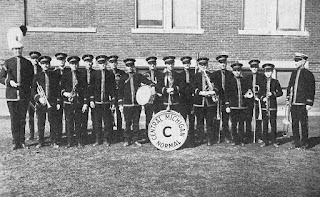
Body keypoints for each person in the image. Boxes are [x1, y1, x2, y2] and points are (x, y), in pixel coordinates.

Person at [0, 42, 34, 150]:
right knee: (14, 119)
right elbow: (1, 77)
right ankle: (15, 142)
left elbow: (31, 79)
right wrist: (10, 82)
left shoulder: (27, 63)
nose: (17, 51)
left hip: (23, 96)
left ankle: (22, 141)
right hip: (12, 96)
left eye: (19, 49)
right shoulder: (8, 63)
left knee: (22, 119)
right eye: (15, 49)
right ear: (12, 50)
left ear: (22, 50)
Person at [119, 58, 153, 147]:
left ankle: (135, 139)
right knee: (127, 123)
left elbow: (147, 82)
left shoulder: (138, 76)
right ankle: (127, 139)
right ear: (126, 67)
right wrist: (120, 104)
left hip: (136, 104)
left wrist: (153, 85)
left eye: (131, 66)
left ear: (134, 66)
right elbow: (120, 92)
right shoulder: (123, 78)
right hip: (127, 104)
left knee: (136, 123)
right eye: (128, 66)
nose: (130, 68)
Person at [287, 53, 315, 149]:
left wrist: (309, 103)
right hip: (293, 103)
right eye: (295, 60)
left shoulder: (308, 74)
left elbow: (311, 89)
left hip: (302, 104)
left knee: (303, 123)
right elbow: (290, 86)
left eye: (298, 60)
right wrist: (288, 98)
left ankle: (304, 143)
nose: (296, 62)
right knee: (294, 123)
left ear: (303, 61)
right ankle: (296, 142)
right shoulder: (293, 73)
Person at [32, 56, 61, 148]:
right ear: (40, 64)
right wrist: (38, 98)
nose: (45, 65)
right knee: (41, 122)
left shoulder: (54, 75)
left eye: (47, 63)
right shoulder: (37, 76)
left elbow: (57, 89)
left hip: (52, 102)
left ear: (49, 64)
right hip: (41, 103)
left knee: (53, 122)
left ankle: (54, 141)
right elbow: (33, 90)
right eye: (43, 63)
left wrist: (58, 102)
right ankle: (41, 141)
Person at [61, 56, 89, 148]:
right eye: (72, 64)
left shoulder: (82, 75)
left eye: (76, 63)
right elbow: (60, 88)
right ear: (69, 64)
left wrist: (85, 103)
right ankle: (70, 142)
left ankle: (79, 141)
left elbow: (85, 90)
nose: (74, 65)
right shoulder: (65, 75)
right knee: (69, 122)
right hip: (68, 102)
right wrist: (65, 93)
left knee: (78, 122)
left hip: (78, 102)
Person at [90, 55, 116, 146]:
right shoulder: (94, 74)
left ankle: (107, 139)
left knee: (107, 122)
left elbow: (113, 89)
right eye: (100, 63)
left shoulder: (110, 74)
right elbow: (91, 88)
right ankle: (98, 139)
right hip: (97, 102)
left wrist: (113, 102)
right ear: (98, 64)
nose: (102, 65)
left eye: (104, 63)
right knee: (97, 122)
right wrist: (92, 100)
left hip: (106, 102)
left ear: (106, 63)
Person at [193, 57, 219, 146]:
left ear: (207, 65)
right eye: (201, 65)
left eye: (205, 64)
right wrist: (200, 92)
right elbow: (193, 88)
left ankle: (209, 139)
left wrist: (213, 91)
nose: (203, 66)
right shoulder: (195, 76)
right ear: (198, 65)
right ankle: (200, 138)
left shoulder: (212, 75)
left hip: (210, 103)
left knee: (209, 122)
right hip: (199, 103)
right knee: (200, 122)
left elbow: (216, 87)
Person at [225, 62, 250, 146]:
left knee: (241, 124)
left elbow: (247, 91)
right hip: (233, 106)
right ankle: (235, 140)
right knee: (234, 124)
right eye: (235, 70)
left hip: (243, 106)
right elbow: (227, 94)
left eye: (238, 70)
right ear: (232, 71)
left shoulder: (244, 81)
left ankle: (241, 139)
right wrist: (227, 105)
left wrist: (247, 95)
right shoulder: (229, 81)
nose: (237, 72)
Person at [260, 63, 283, 148]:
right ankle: (265, 141)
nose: (268, 73)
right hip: (264, 106)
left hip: (273, 106)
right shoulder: (262, 82)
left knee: (273, 124)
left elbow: (280, 92)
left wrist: (272, 94)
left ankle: (274, 140)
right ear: (264, 72)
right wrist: (263, 98)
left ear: (272, 72)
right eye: (266, 71)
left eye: (269, 71)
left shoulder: (275, 82)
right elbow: (259, 93)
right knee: (265, 124)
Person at [212, 54, 233, 143]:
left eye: (224, 62)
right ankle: (216, 137)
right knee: (217, 119)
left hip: (227, 99)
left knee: (226, 119)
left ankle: (226, 136)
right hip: (217, 99)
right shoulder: (214, 74)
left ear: (226, 63)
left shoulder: (230, 74)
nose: (223, 64)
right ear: (219, 64)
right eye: (221, 62)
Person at [243, 59, 265, 143]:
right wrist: (248, 93)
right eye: (252, 67)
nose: (254, 68)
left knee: (258, 119)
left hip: (258, 101)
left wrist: (259, 96)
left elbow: (263, 88)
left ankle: (258, 136)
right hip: (249, 101)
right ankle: (248, 136)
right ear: (250, 68)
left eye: (256, 66)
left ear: (258, 67)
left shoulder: (262, 77)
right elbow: (244, 88)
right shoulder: (247, 77)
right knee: (248, 118)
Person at [143, 56, 163, 142]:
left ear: (156, 64)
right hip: (148, 100)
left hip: (158, 100)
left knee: (158, 118)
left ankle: (158, 134)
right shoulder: (145, 75)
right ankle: (148, 136)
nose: (152, 65)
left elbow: (162, 86)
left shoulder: (160, 74)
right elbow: (143, 86)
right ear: (148, 64)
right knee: (148, 118)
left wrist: (157, 89)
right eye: (150, 64)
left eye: (154, 63)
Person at [108, 55, 126, 142]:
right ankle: (110, 135)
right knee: (110, 116)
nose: (113, 64)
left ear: (117, 63)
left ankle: (119, 133)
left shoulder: (122, 73)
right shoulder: (107, 73)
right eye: (111, 62)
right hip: (111, 97)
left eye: (115, 62)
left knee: (119, 115)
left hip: (120, 96)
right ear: (109, 63)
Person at [179, 56, 195, 146]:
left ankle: (191, 140)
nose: (187, 65)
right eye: (185, 63)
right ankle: (182, 139)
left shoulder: (194, 74)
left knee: (192, 120)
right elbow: (180, 87)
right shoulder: (179, 75)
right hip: (183, 100)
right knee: (183, 120)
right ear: (183, 64)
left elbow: (195, 85)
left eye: (188, 63)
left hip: (192, 100)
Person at [53, 52, 68, 143]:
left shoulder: (69, 71)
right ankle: (58, 137)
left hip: (67, 98)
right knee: (58, 118)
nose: (61, 61)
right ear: (57, 61)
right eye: (59, 60)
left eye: (62, 60)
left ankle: (68, 136)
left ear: (65, 60)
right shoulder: (54, 72)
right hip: (57, 98)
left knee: (68, 117)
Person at [27, 51, 42, 140]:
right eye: (33, 58)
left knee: (40, 115)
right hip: (30, 95)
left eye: (36, 58)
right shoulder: (28, 69)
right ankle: (32, 134)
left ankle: (40, 134)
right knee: (31, 115)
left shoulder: (41, 68)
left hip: (39, 95)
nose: (35, 60)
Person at [81, 54, 96, 142]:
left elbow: (96, 87)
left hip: (94, 98)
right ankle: (84, 136)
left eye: (90, 62)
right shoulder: (81, 73)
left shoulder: (96, 73)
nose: (89, 63)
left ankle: (94, 136)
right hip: (83, 99)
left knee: (95, 118)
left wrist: (92, 99)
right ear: (84, 63)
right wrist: (86, 101)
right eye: (87, 62)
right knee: (83, 118)